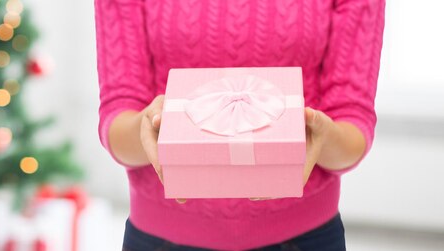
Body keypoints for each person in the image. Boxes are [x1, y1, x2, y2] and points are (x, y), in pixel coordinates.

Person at [94, 0, 385, 250]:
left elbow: (352, 123)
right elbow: (118, 116)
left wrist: (322, 135)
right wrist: (145, 127)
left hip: (305, 237)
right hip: (160, 238)